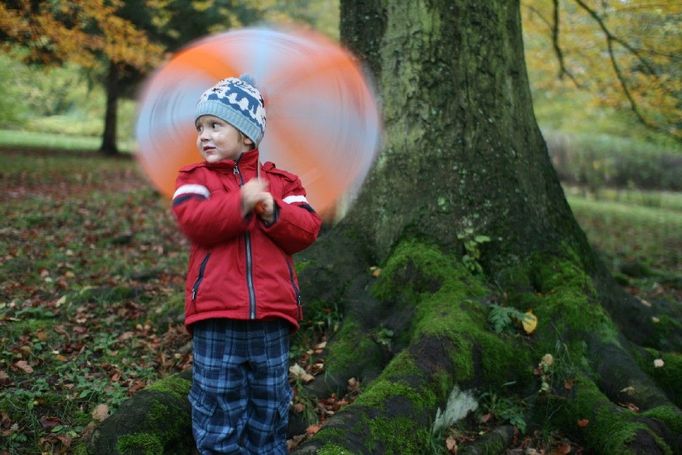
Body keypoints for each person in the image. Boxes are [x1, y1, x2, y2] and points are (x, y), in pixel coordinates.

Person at [171, 75, 322, 454]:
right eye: (200, 127)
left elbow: (307, 230)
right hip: (217, 314)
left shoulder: (283, 184)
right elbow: (195, 223)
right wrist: (239, 202)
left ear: (247, 137)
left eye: (215, 125)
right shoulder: (195, 179)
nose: (204, 135)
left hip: (272, 316)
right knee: (218, 401)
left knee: (269, 402)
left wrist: (273, 211)